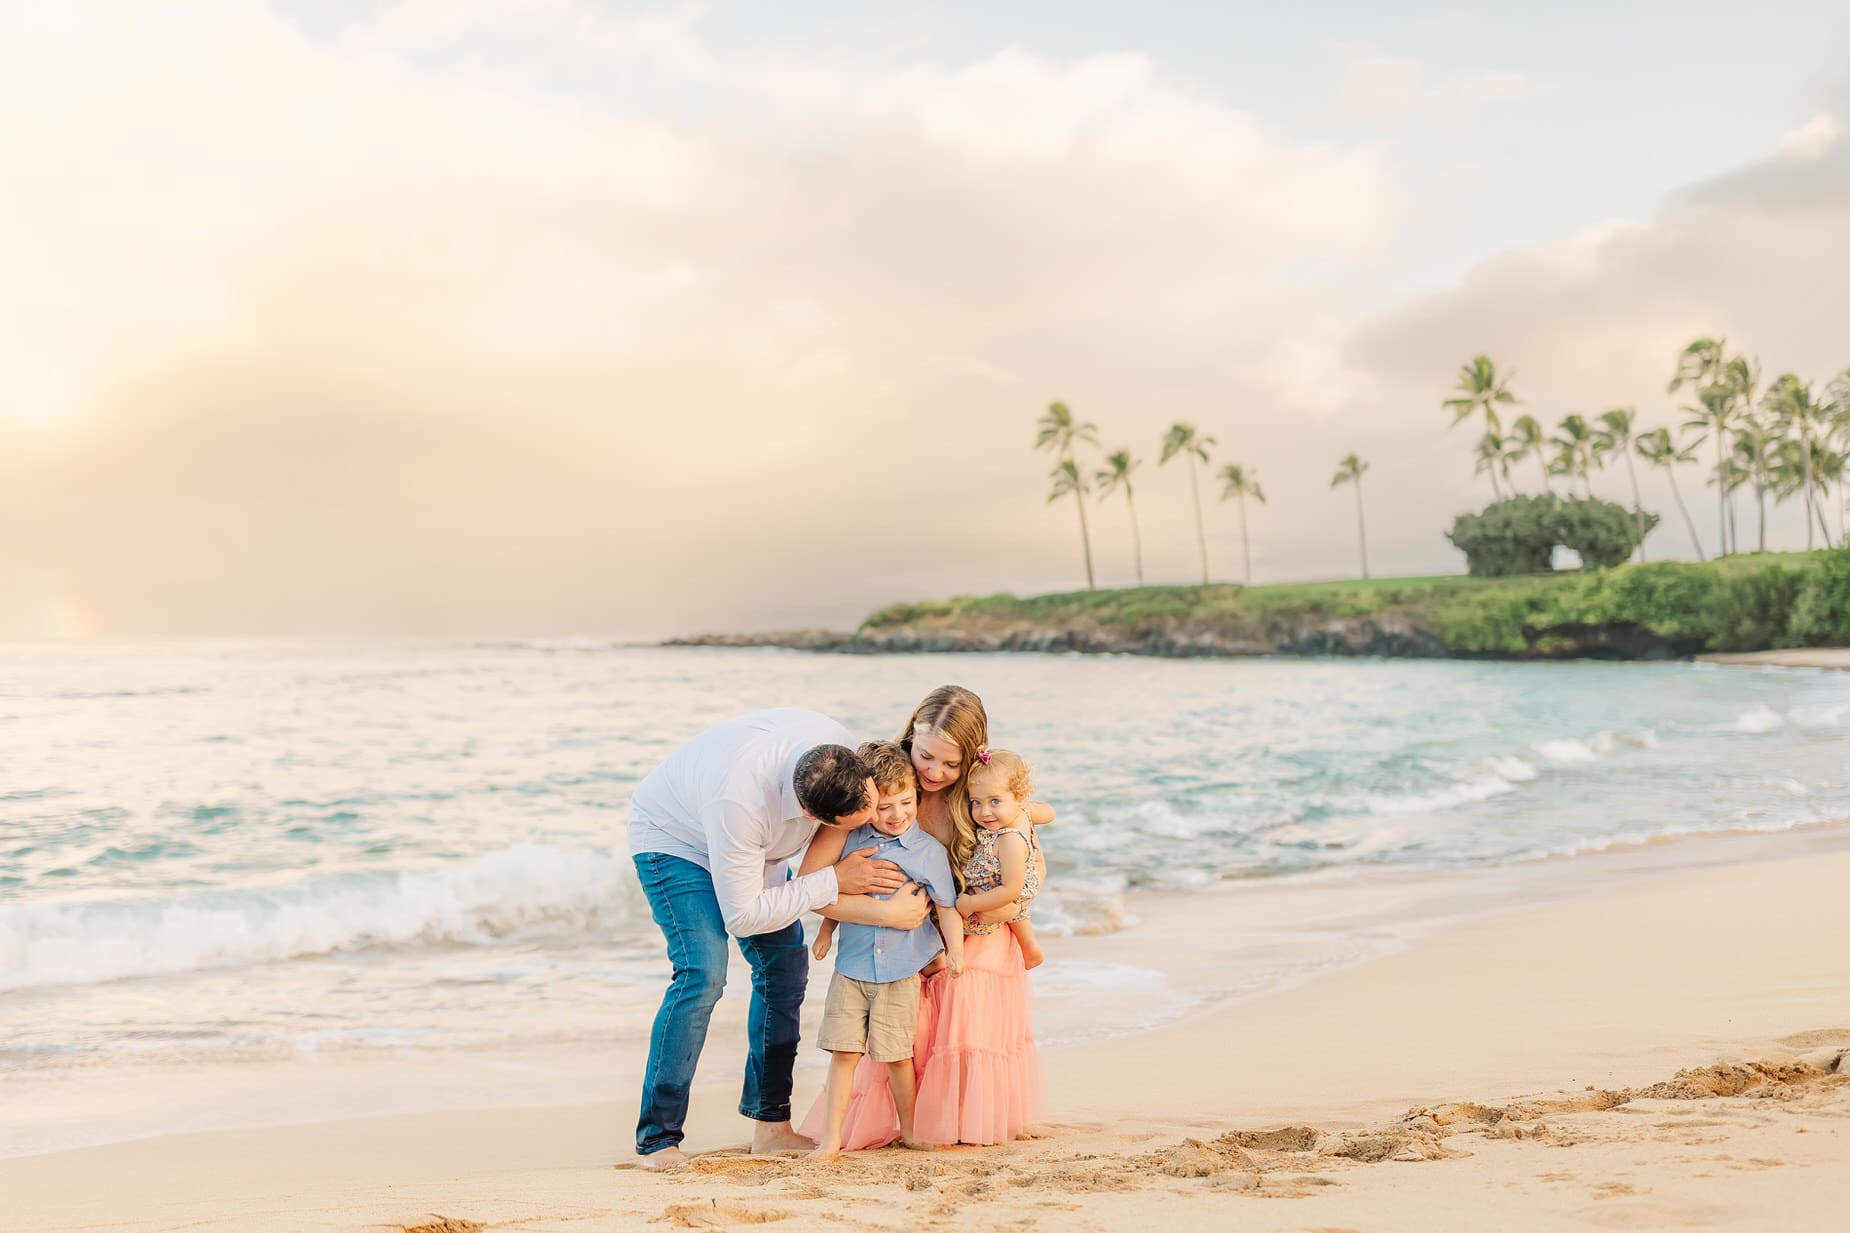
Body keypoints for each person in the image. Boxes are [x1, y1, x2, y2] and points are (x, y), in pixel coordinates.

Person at [626, 708, 932, 1170]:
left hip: (756, 849)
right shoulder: (740, 805)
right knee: (702, 974)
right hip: (675, 841)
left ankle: (771, 1126)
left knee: (786, 969)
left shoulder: (838, 748)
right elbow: (744, 915)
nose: (874, 818)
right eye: (859, 817)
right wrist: (833, 880)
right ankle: (658, 1137)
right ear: (812, 815)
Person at [805, 742, 964, 1158]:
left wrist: (954, 951)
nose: (895, 815)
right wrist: (825, 931)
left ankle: (909, 1130)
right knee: (843, 1053)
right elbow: (836, 891)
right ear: (867, 804)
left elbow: (946, 908)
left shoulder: (928, 853)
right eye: (884, 806)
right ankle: (831, 1140)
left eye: (905, 802)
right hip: (851, 968)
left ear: (916, 795)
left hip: (900, 972)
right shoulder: (854, 843)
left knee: (897, 1058)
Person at [913, 748, 1047, 1145]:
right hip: (983, 904)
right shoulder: (1000, 821)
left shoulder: (1008, 834)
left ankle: (1029, 946)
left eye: (994, 802)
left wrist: (969, 902)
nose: (984, 810)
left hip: (989, 906)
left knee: (966, 1003)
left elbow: (1011, 888)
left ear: (1016, 798)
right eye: (976, 803)